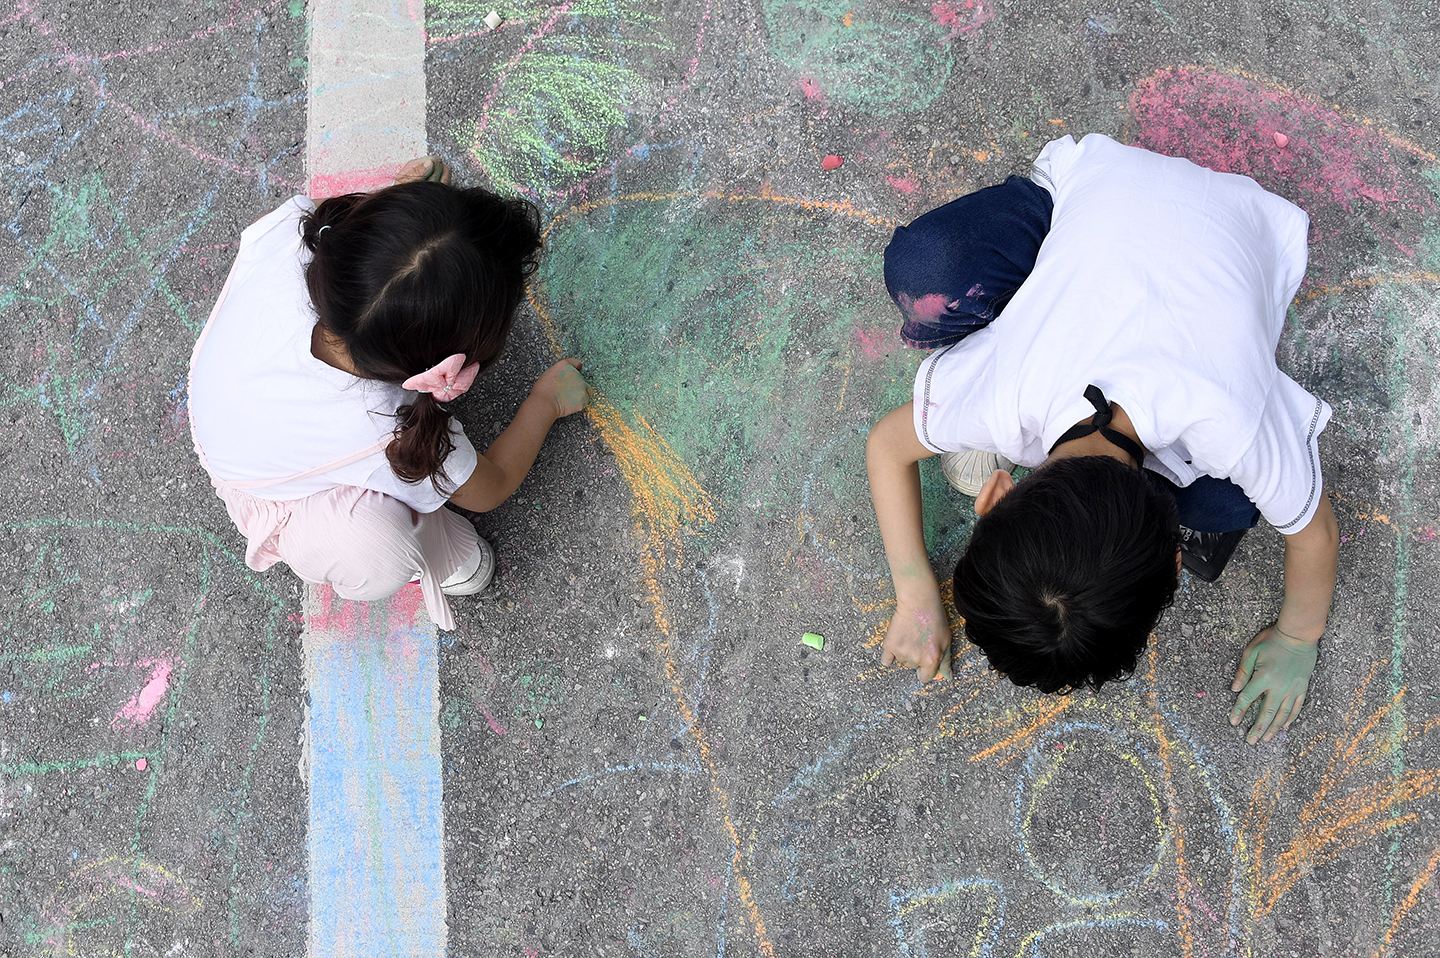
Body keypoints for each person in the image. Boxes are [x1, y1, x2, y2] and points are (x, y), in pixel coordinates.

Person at [865, 134, 1339, 744]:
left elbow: (1315, 529)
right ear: (995, 493)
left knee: (1229, 505)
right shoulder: (1004, 391)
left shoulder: (1230, 422)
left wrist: (1299, 637)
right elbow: (888, 445)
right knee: (926, 277)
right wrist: (912, 589)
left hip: (1238, 222)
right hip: (1110, 198)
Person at [188, 157, 593, 630]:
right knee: (375, 548)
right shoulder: (385, 430)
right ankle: (439, 548)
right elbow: (492, 486)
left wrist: (397, 214)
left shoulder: (300, 236)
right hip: (263, 489)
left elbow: (379, 272)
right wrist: (545, 402)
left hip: (217, 395)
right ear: (442, 367)